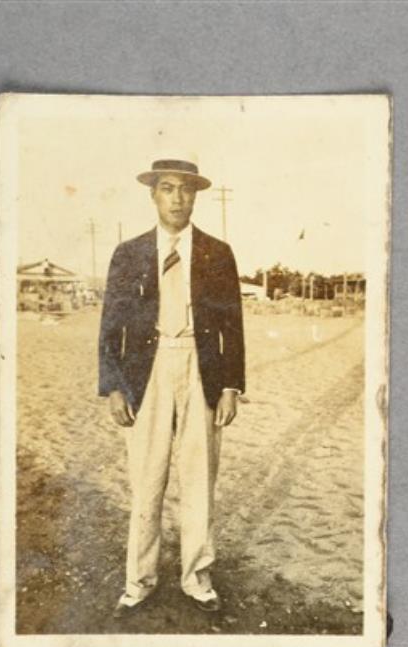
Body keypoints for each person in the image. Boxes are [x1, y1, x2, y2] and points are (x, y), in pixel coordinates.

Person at [98, 155, 245, 619]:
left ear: (195, 195)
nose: (177, 198)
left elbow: (232, 324)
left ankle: (197, 578)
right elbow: (111, 325)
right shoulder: (129, 253)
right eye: (167, 188)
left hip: (202, 369)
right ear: (153, 195)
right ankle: (139, 581)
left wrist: (230, 386)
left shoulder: (218, 252)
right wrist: (113, 386)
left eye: (185, 188)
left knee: (199, 478)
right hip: (148, 370)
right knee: (147, 479)